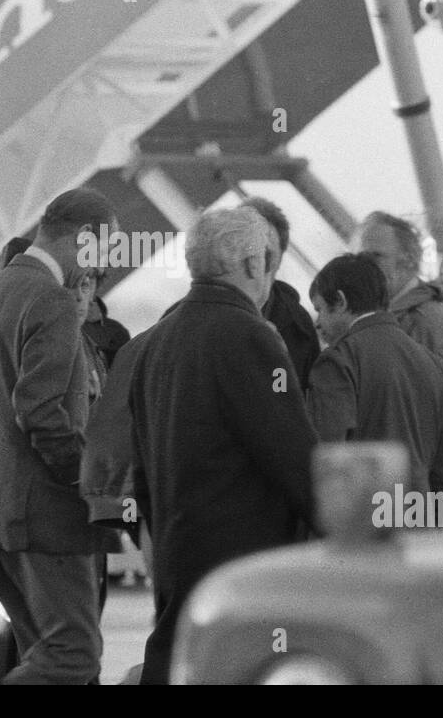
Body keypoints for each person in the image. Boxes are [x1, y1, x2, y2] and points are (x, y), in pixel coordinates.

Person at [116, 208, 318, 685]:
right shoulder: (249, 336)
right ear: (252, 264)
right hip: (243, 566)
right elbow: (294, 459)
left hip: (176, 552)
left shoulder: (157, 341)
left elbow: (142, 469)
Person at [0, 187, 121, 685]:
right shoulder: (53, 300)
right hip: (49, 518)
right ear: (85, 238)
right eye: (106, 247)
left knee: (41, 655)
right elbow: (39, 412)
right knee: (73, 656)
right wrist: (90, 485)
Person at [306, 253, 443, 494]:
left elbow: (329, 458)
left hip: (364, 522)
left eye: (321, 309)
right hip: (418, 521)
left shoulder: (338, 360)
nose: (317, 323)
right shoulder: (431, 363)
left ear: (341, 301)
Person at [360, 211, 443, 482]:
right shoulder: (383, 323)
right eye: (357, 259)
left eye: (375, 257)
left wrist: (433, 511)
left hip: (418, 506)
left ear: (410, 261)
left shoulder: (427, 326)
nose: (362, 268)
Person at [240, 196, 320, 391]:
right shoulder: (188, 320)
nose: (257, 263)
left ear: (279, 259)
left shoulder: (298, 328)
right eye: (249, 250)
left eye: (267, 254)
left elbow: (303, 399)